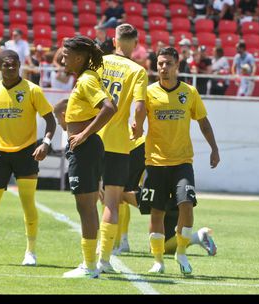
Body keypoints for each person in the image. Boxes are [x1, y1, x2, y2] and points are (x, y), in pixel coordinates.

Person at [0, 50, 56, 267]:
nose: (11, 68)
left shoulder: (32, 90)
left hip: (26, 153)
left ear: (19, 66)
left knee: (27, 203)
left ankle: (30, 253)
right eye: (6, 65)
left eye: (14, 64)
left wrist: (46, 143)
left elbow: (51, 121)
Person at [143, 47, 220, 275]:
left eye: (167, 63)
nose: (163, 68)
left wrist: (214, 149)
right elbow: (137, 118)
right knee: (157, 212)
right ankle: (158, 261)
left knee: (186, 207)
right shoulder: (148, 93)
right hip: (155, 162)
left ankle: (182, 252)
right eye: (159, 64)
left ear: (177, 65)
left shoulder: (189, 92)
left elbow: (203, 123)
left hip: (182, 162)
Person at [92, 24, 148, 274]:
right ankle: (104, 258)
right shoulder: (138, 70)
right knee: (112, 204)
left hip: (93, 138)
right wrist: (138, 126)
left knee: (89, 200)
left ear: (114, 41)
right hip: (117, 142)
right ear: (135, 44)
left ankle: (89, 257)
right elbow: (138, 106)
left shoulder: (98, 63)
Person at [59, 35, 117, 279]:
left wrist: (83, 133)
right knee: (88, 206)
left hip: (85, 150)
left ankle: (89, 266)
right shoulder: (86, 78)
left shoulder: (86, 80)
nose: (62, 58)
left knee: (85, 207)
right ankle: (90, 264)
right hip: (86, 149)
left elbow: (109, 107)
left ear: (79, 58)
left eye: (66, 55)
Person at [115, 133, 218, 257]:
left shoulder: (120, 140)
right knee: (160, 246)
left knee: (114, 192)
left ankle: (120, 242)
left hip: (137, 152)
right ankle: (196, 237)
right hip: (170, 196)